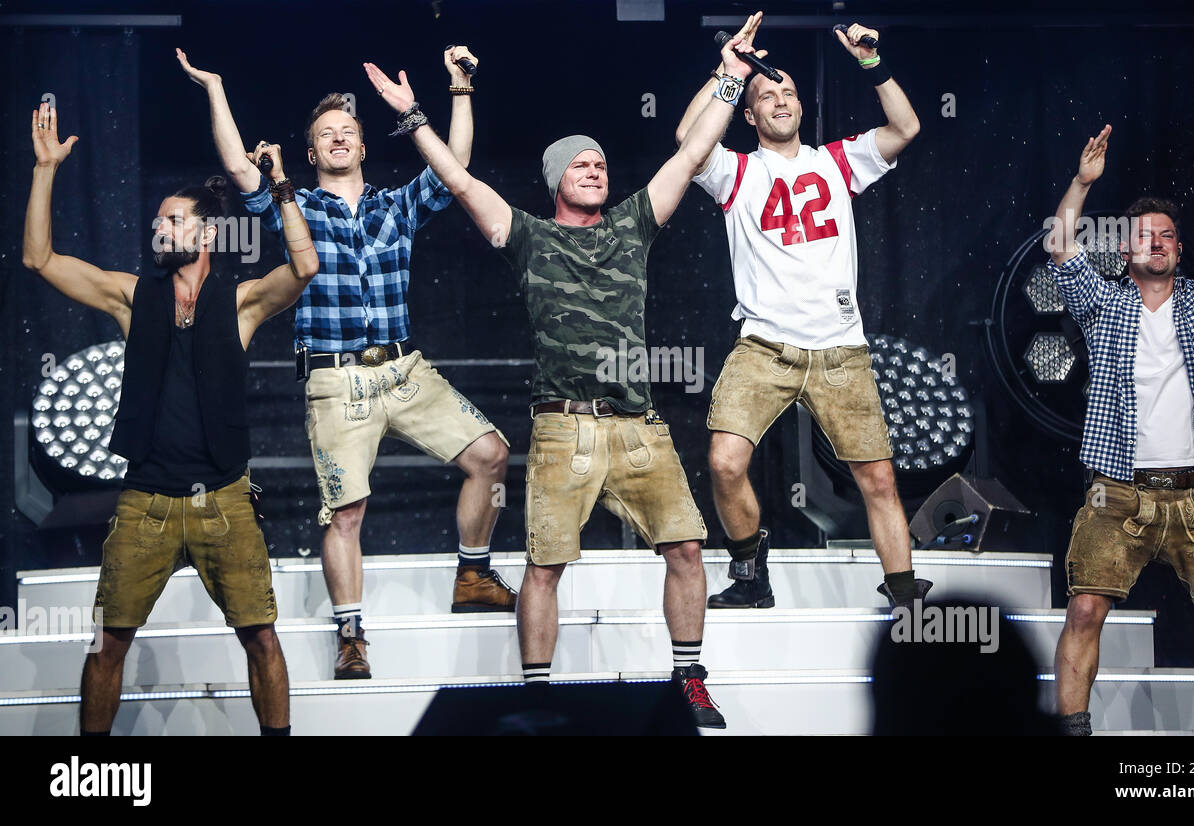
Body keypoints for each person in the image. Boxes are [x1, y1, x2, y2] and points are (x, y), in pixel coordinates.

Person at [357, 34, 767, 729]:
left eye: (601, 163)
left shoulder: (635, 225)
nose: (595, 170)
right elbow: (458, 183)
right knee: (544, 567)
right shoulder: (525, 235)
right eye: (579, 164)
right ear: (555, 180)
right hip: (561, 428)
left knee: (688, 548)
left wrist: (729, 80)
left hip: (638, 425)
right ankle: (539, 696)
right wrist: (414, 116)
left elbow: (692, 154)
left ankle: (690, 679)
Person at [176, 47, 517, 680]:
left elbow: (456, 166)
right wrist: (216, 89)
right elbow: (238, 169)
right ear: (312, 154)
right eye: (325, 135)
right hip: (336, 379)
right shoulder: (293, 205)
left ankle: (472, 573)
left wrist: (460, 90)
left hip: (404, 370)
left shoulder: (397, 205)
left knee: (491, 455)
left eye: (347, 132)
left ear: (362, 145)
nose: (337, 139)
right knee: (346, 511)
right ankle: (352, 634)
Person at [22, 99, 320, 735]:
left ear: (207, 233)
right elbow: (39, 260)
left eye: (173, 222)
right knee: (108, 643)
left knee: (262, 639)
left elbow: (304, 267)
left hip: (226, 500)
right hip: (145, 503)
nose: (160, 231)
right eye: (157, 223)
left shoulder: (238, 304)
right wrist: (46, 169)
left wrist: (281, 187)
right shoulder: (133, 298)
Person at [674, 14, 928, 609]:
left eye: (788, 91)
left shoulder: (837, 162)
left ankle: (904, 596)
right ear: (750, 113)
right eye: (768, 94)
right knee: (724, 461)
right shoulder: (736, 171)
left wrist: (871, 61)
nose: (781, 100)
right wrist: (729, 69)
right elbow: (689, 140)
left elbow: (907, 125)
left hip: (841, 348)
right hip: (764, 345)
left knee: (879, 477)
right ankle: (749, 573)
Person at [1046, 125, 1194, 736]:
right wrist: (1082, 182)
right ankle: (1072, 730)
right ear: (1125, 252)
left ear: (1178, 251)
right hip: (1115, 491)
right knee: (1084, 609)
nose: (1156, 244)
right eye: (1144, 237)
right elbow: (1061, 243)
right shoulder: (1103, 305)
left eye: (1166, 237)